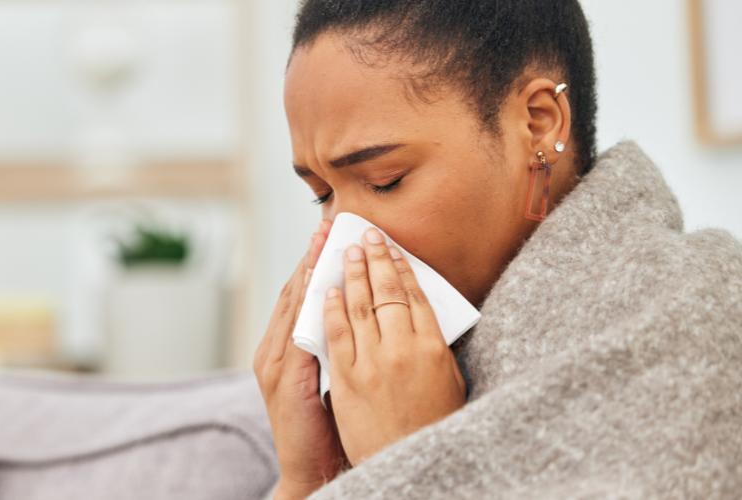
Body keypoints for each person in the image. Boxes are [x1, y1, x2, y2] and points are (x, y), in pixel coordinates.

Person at [253, 1, 742, 498]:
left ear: (538, 124)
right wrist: (305, 481)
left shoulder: (698, 313)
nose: (341, 244)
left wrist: (410, 463)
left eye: (385, 180)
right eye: (322, 195)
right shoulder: (353, 388)